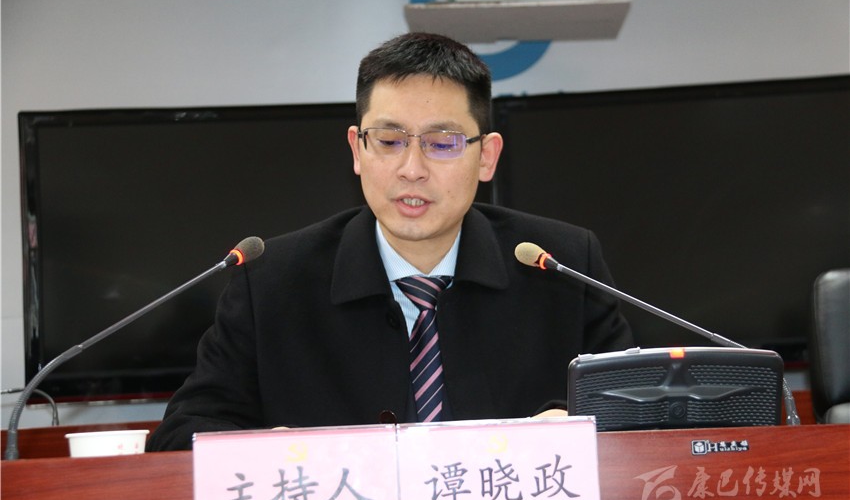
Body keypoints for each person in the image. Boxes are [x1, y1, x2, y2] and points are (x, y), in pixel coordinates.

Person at [147, 32, 632, 451]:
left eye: (442, 143)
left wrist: (578, 426)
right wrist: (267, 450)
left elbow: (641, 411)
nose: (412, 169)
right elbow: (181, 434)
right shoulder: (270, 281)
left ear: (487, 157)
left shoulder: (561, 267)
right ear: (357, 149)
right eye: (389, 140)